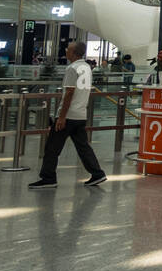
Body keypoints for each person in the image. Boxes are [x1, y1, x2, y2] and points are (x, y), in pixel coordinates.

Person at [29, 41, 106, 189]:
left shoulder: (72, 68)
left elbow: (69, 92)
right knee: (83, 147)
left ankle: (48, 177)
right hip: (80, 114)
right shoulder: (86, 67)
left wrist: (62, 116)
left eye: (68, 49)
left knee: (52, 147)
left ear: (74, 53)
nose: (66, 51)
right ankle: (97, 173)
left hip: (68, 115)